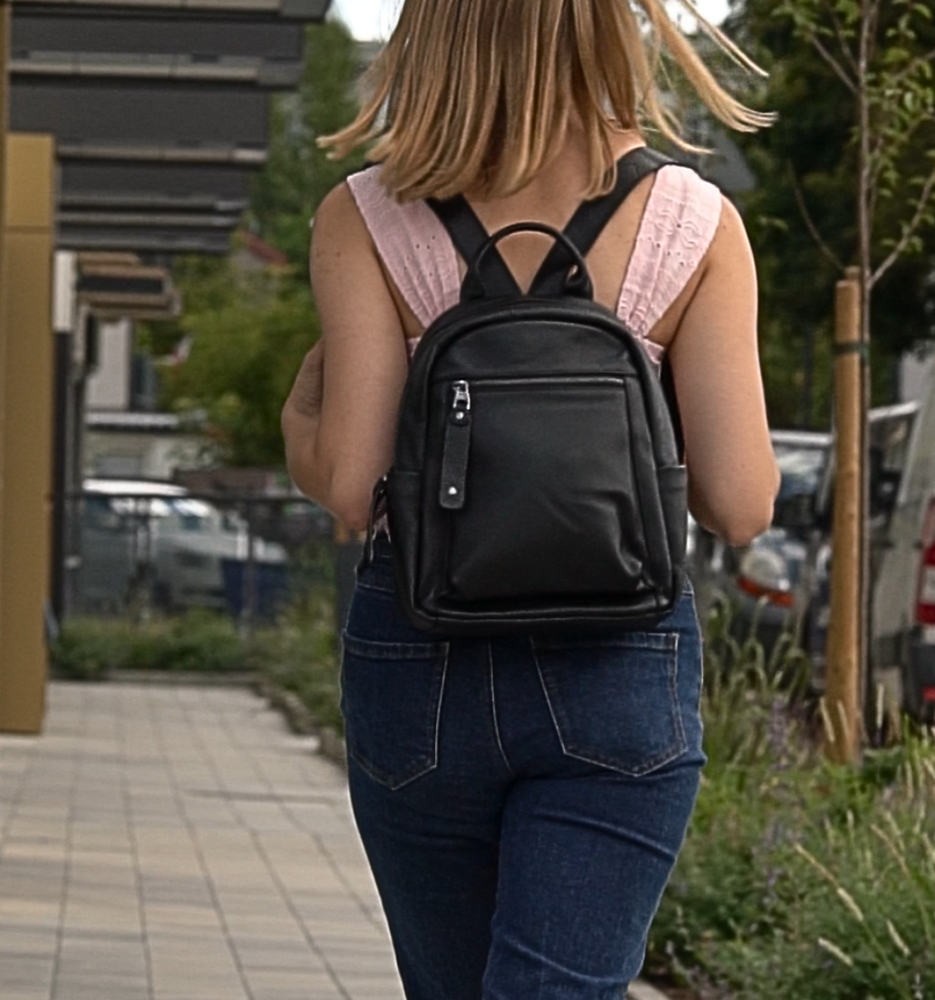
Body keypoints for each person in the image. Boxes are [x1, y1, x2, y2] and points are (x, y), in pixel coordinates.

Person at [281, 1, 780, 997]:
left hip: (421, 654)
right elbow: (739, 504)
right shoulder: (694, 222)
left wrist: (301, 421)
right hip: (619, 659)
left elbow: (351, 485)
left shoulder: (365, 214)